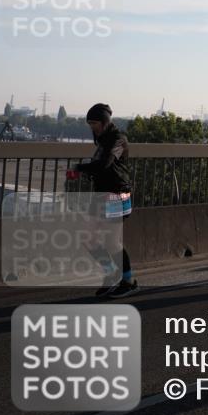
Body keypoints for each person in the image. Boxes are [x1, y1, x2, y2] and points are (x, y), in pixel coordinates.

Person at [75, 104, 137, 298]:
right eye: (89, 123)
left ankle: (128, 281)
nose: (91, 127)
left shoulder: (118, 139)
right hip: (102, 195)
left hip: (117, 194)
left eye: (94, 123)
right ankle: (111, 274)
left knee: (111, 242)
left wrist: (80, 168)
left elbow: (105, 164)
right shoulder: (102, 140)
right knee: (87, 237)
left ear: (104, 122)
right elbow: (100, 167)